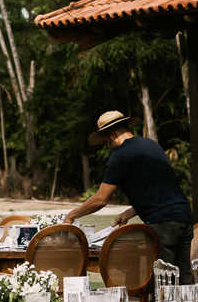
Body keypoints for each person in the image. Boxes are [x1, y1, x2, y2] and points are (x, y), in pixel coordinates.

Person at [64, 110, 193, 282]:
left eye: (105, 140)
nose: (106, 144)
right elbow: (157, 190)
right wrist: (130, 212)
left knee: (163, 283)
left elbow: (100, 199)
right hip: (184, 217)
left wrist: (71, 215)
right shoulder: (151, 145)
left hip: (163, 224)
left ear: (112, 134)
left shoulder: (120, 155)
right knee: (184, 280)